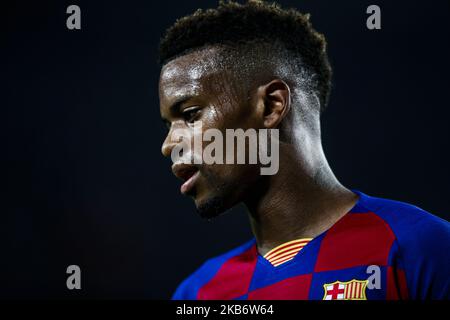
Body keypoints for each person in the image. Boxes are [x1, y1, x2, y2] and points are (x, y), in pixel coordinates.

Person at [158, 0, 449, 299]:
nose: (169, 145)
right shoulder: (198, 293)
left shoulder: (421, 249)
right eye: (168, 124)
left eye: (191, 115)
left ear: (271, 106)